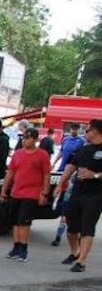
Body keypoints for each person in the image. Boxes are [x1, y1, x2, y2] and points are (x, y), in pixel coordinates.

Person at [53, 117, 102, 273]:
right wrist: (61, 185)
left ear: (95, 131)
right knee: (71, 226)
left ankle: (82, 261)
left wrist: (94, 175)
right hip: (77, 192)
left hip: (96, 195)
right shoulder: (83, 148)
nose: (84, 133)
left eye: (87, 130)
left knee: (88, 227)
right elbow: (70, 167)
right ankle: (75, 252)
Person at [0, 127, 51, 262]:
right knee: (15, 221)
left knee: (24, 222)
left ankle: (23, 248)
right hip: (16, 192)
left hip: (31, 194)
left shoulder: (42, 155)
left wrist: (44, 192)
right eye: (23, 138)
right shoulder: (17, 154)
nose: (25, 141)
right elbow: (10, 174)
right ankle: (16, 247)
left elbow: (46, 175)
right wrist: (4, 190)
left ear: (35, 139)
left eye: (28, 138)